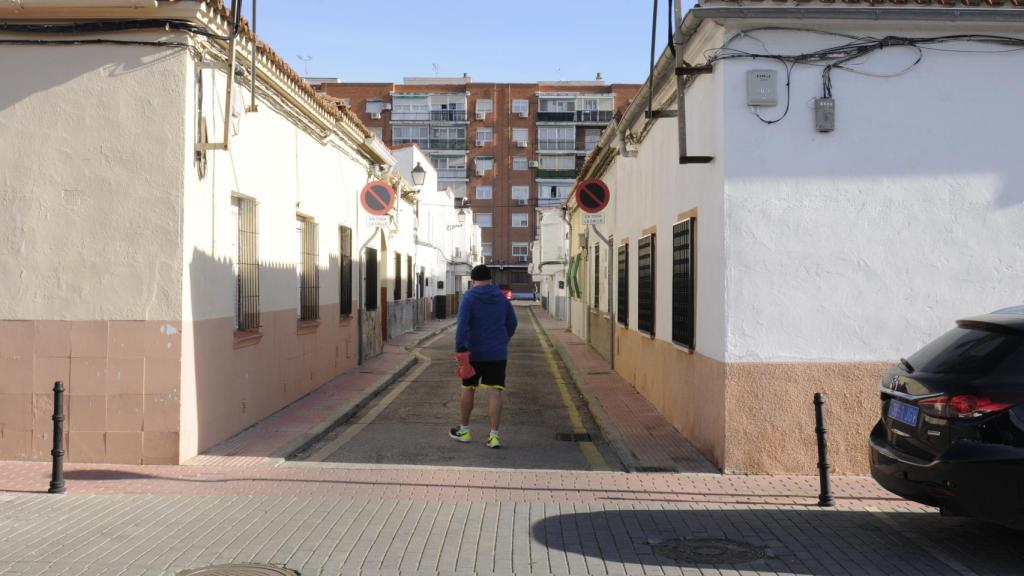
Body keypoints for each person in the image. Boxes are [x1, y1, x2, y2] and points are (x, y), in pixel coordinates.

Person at [450, 264, 518, 448]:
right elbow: (512, 323)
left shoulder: (469, 297)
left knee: (468, 388)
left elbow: (462, 326)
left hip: (473, 353)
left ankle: (464, 431)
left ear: (473, 280)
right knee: (495, 391)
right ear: (490, 279)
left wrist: (460, 349)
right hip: (497, 353)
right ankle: (494, 436)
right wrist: (503, 340)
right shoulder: (501, 298)